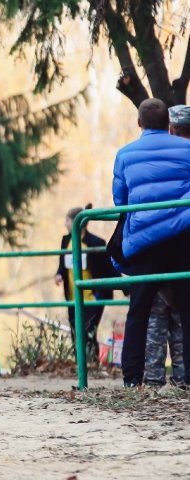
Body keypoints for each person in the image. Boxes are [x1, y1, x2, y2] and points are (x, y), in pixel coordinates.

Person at [111, 98, 190, 388]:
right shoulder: (188, 149)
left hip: (143, 243)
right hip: (183, 240)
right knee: (187, 310)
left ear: (139, 123)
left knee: (138, 311)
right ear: (168, 125)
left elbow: (120, 199)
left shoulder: (125, 154)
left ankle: (133, 378)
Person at [142, 104, 190, 388]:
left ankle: (153, 379)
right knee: (184, 314)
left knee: (155, 312)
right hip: (184, 246)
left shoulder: (156, 155)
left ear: (170, 128)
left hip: (154, 242)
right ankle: (184, 377)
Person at [55, 204, 119, 362]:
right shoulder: (66, 241)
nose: (65, 224)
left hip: (93, 297)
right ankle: (80, 366)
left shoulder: (96, 242)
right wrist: (59, 274)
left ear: (77, 222)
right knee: (75, 332)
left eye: (68, 220)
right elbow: (63, 263)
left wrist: (126, 286)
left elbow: (108, 267)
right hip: (73, 297)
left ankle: (92, 365)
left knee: (88, 332)